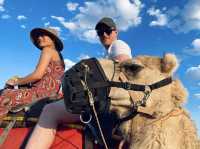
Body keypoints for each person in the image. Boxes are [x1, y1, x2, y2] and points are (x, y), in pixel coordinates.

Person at [25, 17, 132, 149]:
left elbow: (124, 71)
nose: (104, 34)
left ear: (116, 32)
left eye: (108, 30)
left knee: (50, 110)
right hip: (107, 101)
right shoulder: (109, 52)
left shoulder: (118, 45)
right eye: (100, 32)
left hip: (108, 104)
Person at [0, 28, 65, 118]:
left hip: (40, 94)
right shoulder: (59, 56)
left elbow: (37, 75)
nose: (39, 38)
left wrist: (16, 81)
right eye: (38, 36)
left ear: (53, 39)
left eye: (43, 35)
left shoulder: (47, 50)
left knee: (5, 94)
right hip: (50, 94)